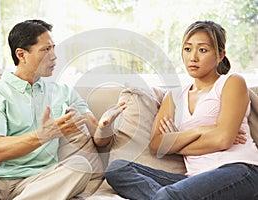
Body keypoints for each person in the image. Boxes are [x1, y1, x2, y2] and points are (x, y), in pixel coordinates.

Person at [0, 19, 125, 200]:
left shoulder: (64, 92)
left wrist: (105, 125)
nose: (54, 56)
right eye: (46, 49)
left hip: (36, 181)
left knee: (81, 166)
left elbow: (99, 138)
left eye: (53, 48)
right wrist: (42, 136)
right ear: (21, 54)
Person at [105, 20, 258, 200]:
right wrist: (202, 131)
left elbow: (223, 140)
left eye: (202, 50)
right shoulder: (174, 96)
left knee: (168, 195)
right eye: (187, 49)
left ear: (220, 55)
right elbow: (157, 145)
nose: (193, 57)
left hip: (239, 170)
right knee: (117, 169)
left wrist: (176, 142)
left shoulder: (231, 82)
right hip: (194, 179)